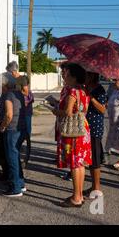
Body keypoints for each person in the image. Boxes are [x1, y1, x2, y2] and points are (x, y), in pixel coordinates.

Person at [52, 63, 91, 207]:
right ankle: (79, 194)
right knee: (80, 164)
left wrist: (56, 111)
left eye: (66, 73)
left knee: (74, 164)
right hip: (82, 129)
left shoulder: (72, 92)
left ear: (74, 77)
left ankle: (76, 197)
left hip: (72, 131)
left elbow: (68, 112)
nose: (63, 75)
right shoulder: (83, 90)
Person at [0, 76, 28, 197]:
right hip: (21, 128)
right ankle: (21, 183)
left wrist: (2, 126)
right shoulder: (18, 94)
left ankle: (15, 188)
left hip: (12, 130)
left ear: (4, 85)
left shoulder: (8, 95)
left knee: (12, 158)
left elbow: (9, 115)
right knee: (16, 157)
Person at [84, 72, 107, 198]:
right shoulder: (87, 88)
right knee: (91, 159)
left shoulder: (99, 89)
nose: (84, 78)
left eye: (86, 76)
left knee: (95, 159)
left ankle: (97, 189)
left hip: (95, 127)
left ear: (92, 76)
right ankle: (93, 186)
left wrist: (91, 97)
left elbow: (102, 109)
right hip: (86, 126)